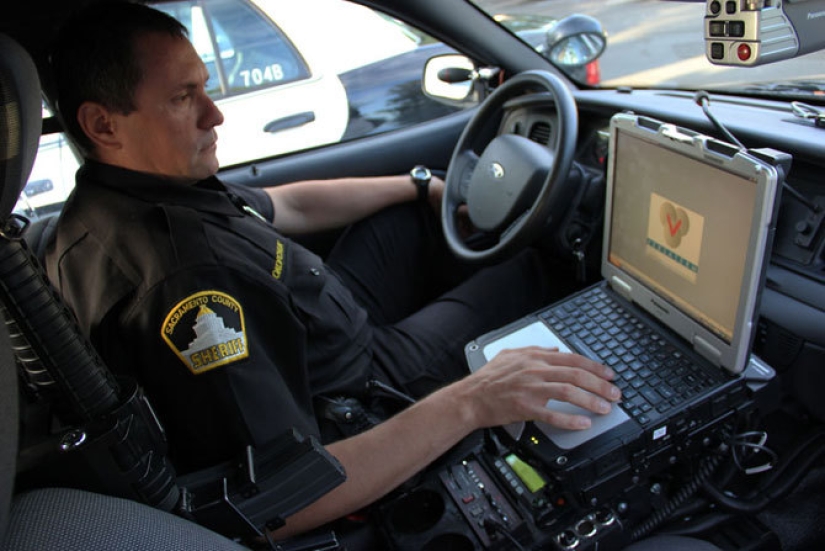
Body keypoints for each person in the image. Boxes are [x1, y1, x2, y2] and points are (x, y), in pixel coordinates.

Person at [44, 0, 622, 539]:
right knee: (527, 267)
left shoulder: (125, 198)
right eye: (182, 98)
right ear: (103, 125)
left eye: (205, 88)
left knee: (410, 219)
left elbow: (291, 205)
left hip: (313, 318)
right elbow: (284, 497)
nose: (214, 114)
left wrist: (419, 186)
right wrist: (473, 398)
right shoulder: (184, 283)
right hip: (359, 390)